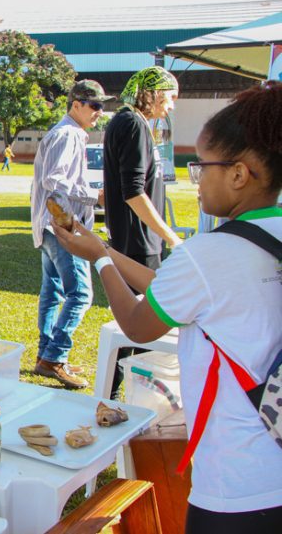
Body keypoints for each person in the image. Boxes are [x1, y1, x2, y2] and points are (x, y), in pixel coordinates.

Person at [52, 81, 282, 533]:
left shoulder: (211, 255)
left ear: (239, 174)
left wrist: (100, 261)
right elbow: (176, 292)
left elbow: (139, 326)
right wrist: (106, 249)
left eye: (202, 168)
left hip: (237, 483)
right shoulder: (267, 236)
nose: (196, 182)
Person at [103, 65, 183, 399]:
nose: (172, 106)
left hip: (134, 241)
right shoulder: (133, 124)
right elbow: (133, 191)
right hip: (139, 244)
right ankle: (116, 399)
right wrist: (169, 236)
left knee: (130, 331)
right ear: (149, 93)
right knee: (136, 328)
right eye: (170, 96)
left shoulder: (127, 122)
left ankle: (117, 396)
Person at [30, 80, 112, 389]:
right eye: (94, 106)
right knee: (80, 294)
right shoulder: (69, 134)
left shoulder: (65, 132)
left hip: (52, 225)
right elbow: (55, 182)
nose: (99, 113)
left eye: (102, 106)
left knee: (53, 293)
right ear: (75, 104)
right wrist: (95, 197)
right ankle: (53, 358)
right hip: (63, 226)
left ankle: (46, 355)